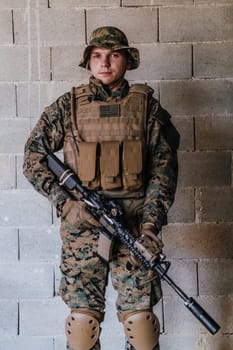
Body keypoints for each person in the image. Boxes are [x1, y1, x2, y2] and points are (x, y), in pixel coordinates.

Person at [23, 26, 179, 350]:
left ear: (127, 61)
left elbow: (163, 172)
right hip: (82, 231)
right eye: (97, 56)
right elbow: (33, 156)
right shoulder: (67, 107)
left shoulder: (148, 110)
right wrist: (66, 205)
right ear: (89, 62)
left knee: (141, 325)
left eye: (113, 55)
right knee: (82, 326)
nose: (105, 63)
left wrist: (150, 224)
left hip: (133, 230)